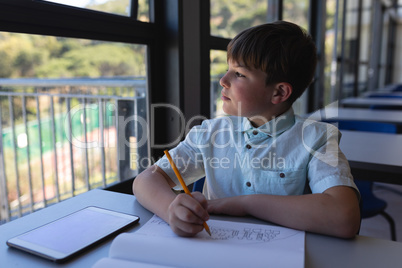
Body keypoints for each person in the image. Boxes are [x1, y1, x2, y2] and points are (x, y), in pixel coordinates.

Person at [133, 21, 361, 238]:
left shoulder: (317, 138)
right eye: (227, 69)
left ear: (279, 93)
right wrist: (170, 209)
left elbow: (344, 217)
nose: (223, 80)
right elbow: (145, 181)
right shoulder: (211, 133)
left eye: (239, 74)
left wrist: (246, 204)